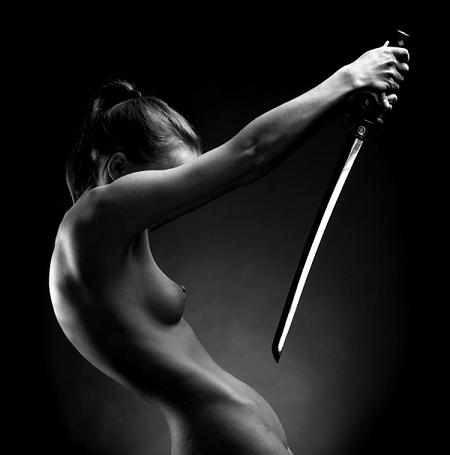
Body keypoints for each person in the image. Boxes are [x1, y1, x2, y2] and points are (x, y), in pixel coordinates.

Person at [49, 44, 409, 455]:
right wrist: (351, 76)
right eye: (175, 179)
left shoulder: (107, 245)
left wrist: (341, 103)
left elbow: (249, 167)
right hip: (223, 437)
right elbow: (249, 154)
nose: (182, 198)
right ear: (117, 169)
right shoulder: (94, 216)